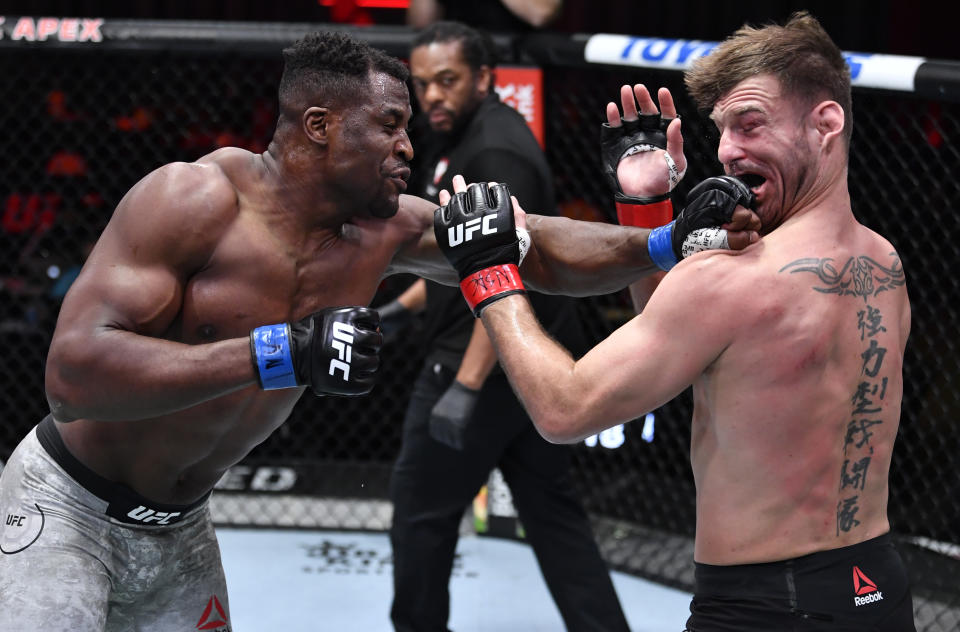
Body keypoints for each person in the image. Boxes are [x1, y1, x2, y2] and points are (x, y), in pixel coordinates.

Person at [0, 29, 760, 631]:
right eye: (390, 126)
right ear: (321, 127)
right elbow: (71, 379)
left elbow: (545, 252)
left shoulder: (386, 229)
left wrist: (661, 239)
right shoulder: (192, 199)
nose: (409, 148)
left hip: (178, 529)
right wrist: (281, 350)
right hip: (66, 509)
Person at [432, 11, 916, 632]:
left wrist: (488, 273)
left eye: (750, 124)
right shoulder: (885, 263)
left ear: (825, 123)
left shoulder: (731, 279)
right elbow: (712, 358)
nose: (728, 151)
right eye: (721, 130)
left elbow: (564, 411)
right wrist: (646, 208)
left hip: (763, 608)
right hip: (876, 586)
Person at [383, 21, 629, 632]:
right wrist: (403, 308)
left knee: (421, 516)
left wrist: (465, 387)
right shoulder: (455, 138)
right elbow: (459, 253)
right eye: (423, 84)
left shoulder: (495, 152)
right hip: (519, 361)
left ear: (485, 79)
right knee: (554, 517)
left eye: (448, 81)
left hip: (489, 362)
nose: (433, 96)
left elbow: (502, 276)